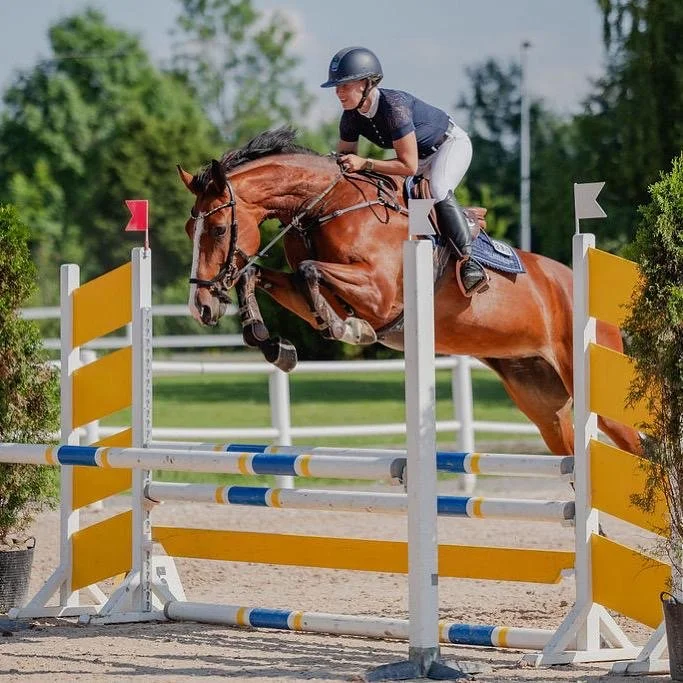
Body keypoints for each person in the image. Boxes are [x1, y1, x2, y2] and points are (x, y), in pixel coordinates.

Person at [321, 46, 486, 293]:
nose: (338, 92)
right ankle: (421, 259)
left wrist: (364, 163)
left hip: (448, 146)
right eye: (336, 86)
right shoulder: (350, 116)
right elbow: (345, 159)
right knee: (402, 202)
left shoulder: (394, 107)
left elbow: (407, 166)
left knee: (437, 187)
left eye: (344, 85)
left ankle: (468, 261)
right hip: (418, 159)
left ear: (366, 83)